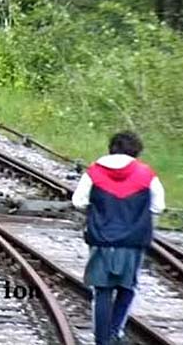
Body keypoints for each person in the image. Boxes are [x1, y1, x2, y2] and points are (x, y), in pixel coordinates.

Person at [71, 131, 165, 345]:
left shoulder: (94, 172)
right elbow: (158, 206)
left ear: (111, 148)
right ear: (136, 151)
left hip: (101, 238)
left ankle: (101, 340)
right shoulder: (146, 175)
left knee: (102, 290)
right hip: (134, 240)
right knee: (128, 287)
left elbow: (78, 201)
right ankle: (115, 331)